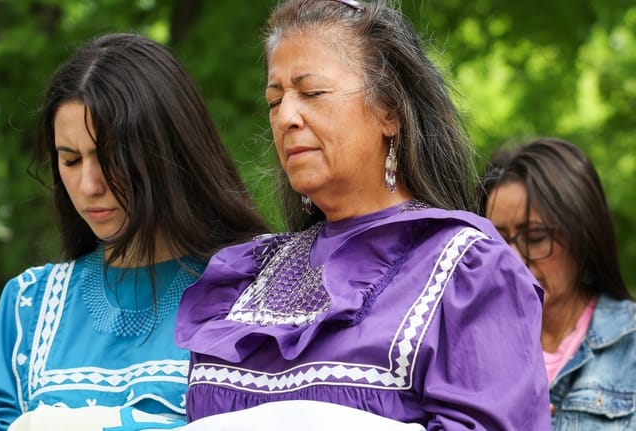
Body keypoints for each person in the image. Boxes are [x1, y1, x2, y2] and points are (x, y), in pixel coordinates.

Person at [175, 0, 552, 429]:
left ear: (388, 110)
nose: (285, 117)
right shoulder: (245, 275)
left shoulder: (468, 270)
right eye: (274, 99)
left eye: (312, 93)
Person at [0, 32, 268, 431]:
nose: (89, 185)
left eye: (110, 156)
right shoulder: (27, 309)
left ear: (168, 149)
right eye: (71, 160)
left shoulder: (257, 291)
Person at [480, 137, 636, 430]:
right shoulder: (466, 349)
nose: (513, 259)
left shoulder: (630, 346)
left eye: (536, 237)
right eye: (496, 240)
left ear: (582, 236)